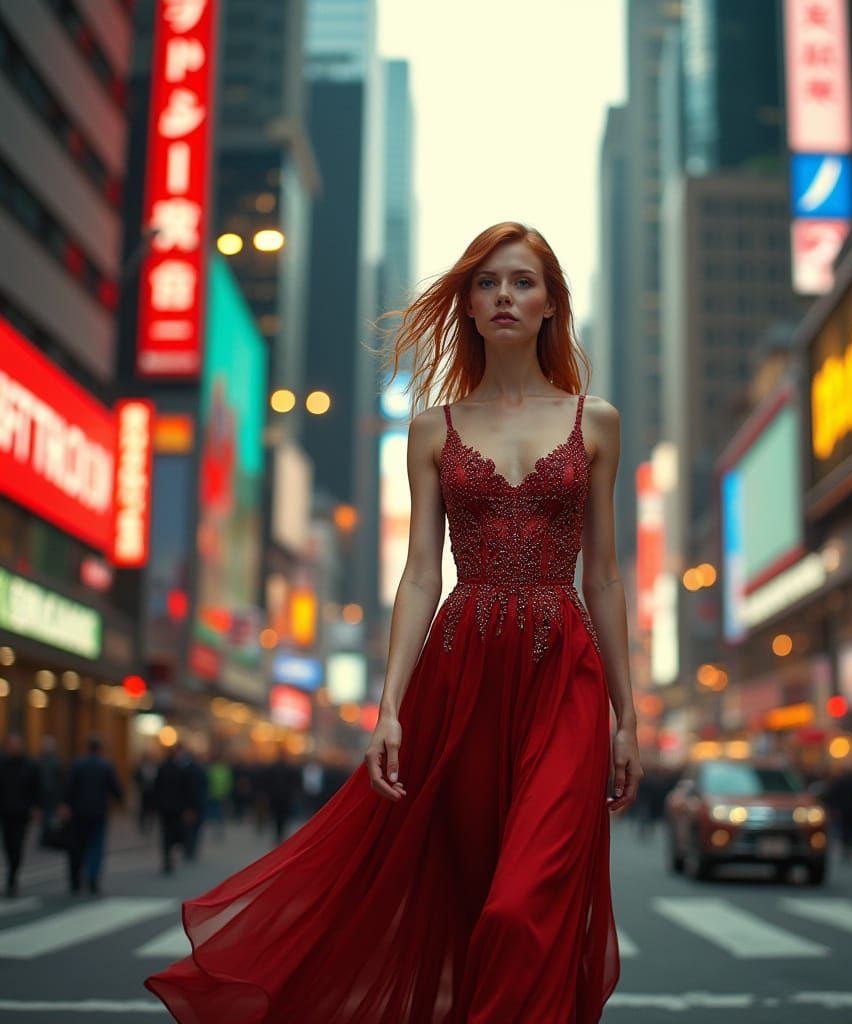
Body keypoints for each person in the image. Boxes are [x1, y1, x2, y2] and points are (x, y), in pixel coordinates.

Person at [146, 222, 640, 1021]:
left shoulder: (599, 421)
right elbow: (417, 574)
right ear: (469, 306)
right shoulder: (431, 429)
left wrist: (628, 714)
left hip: (564, 671)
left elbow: (608, 576)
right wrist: (389, 708)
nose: (504, 296)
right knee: (477, 897)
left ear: (550, 303)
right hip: (462, 669)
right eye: (486, 284)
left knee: (523, 906)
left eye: (521, 281)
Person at [60, 735, 123, 895]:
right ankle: (92, 878)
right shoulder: (106, 766)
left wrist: (65, 804)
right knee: (95, 846)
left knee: (77, 847)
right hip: (98, 812)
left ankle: (75, 880)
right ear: (100, 749)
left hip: (78, 812)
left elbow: (68, 787)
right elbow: (116, 789)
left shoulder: (77, 764)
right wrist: (119, 801)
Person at [0, 733, 41, 897]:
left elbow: (36, 788)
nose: (12, 748)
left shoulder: (29, 765)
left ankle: (12, 877)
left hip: (22, 813)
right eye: (10, 745)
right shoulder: (2, 764)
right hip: (5, 812)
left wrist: (37, 807)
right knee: (7, 845)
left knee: (17, 845)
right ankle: (12, 871)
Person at [153, 744, 192, 875]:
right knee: (175, 833)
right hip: (177, 808)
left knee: (165, 833)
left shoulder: (162, 768)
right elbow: (186, 790)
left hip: (164, 808)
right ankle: (171, 856)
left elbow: (156, 788)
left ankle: (167, 857)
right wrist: (187, 807)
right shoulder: (180, 769)